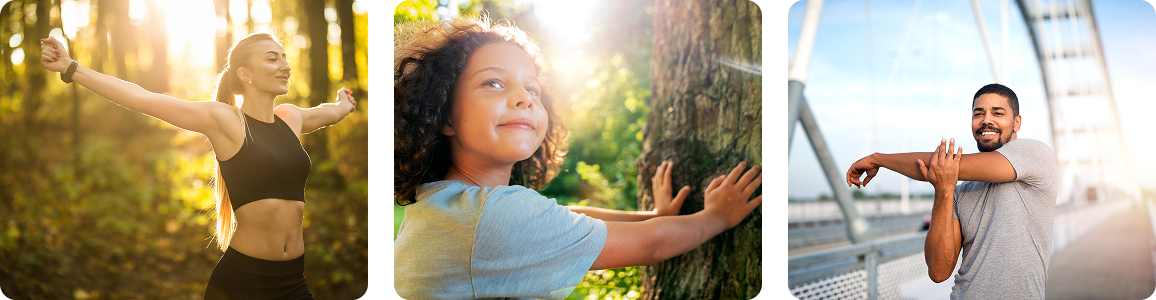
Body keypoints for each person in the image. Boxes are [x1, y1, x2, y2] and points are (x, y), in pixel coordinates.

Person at [393, 15, 762, 299]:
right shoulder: (492, 218)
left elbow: (567, 217)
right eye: (493, 83)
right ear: (442, 114)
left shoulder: (449, 206)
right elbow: (653, 245)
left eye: (533, 89)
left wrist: (651, 216)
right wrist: (715, 217)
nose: (525, 98)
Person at [39, 32, 358, 300]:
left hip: (294, 280)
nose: (285, 65)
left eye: (285, 57)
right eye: (272, 58)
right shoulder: (226, 120)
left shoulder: (291, 118)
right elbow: (144, 98)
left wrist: (344, 105)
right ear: (245, 74)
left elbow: (327, 113)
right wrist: (71, 68)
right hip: (243, 283)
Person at [846, 83, 1058, 299]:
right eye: (979, 113)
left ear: (1017, 122)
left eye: (998, 113)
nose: (986, 120)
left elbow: (940, 165)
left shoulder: (1035, 154)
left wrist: (878, 159)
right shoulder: (959, 192)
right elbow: (938, 272)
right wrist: (943, 192)